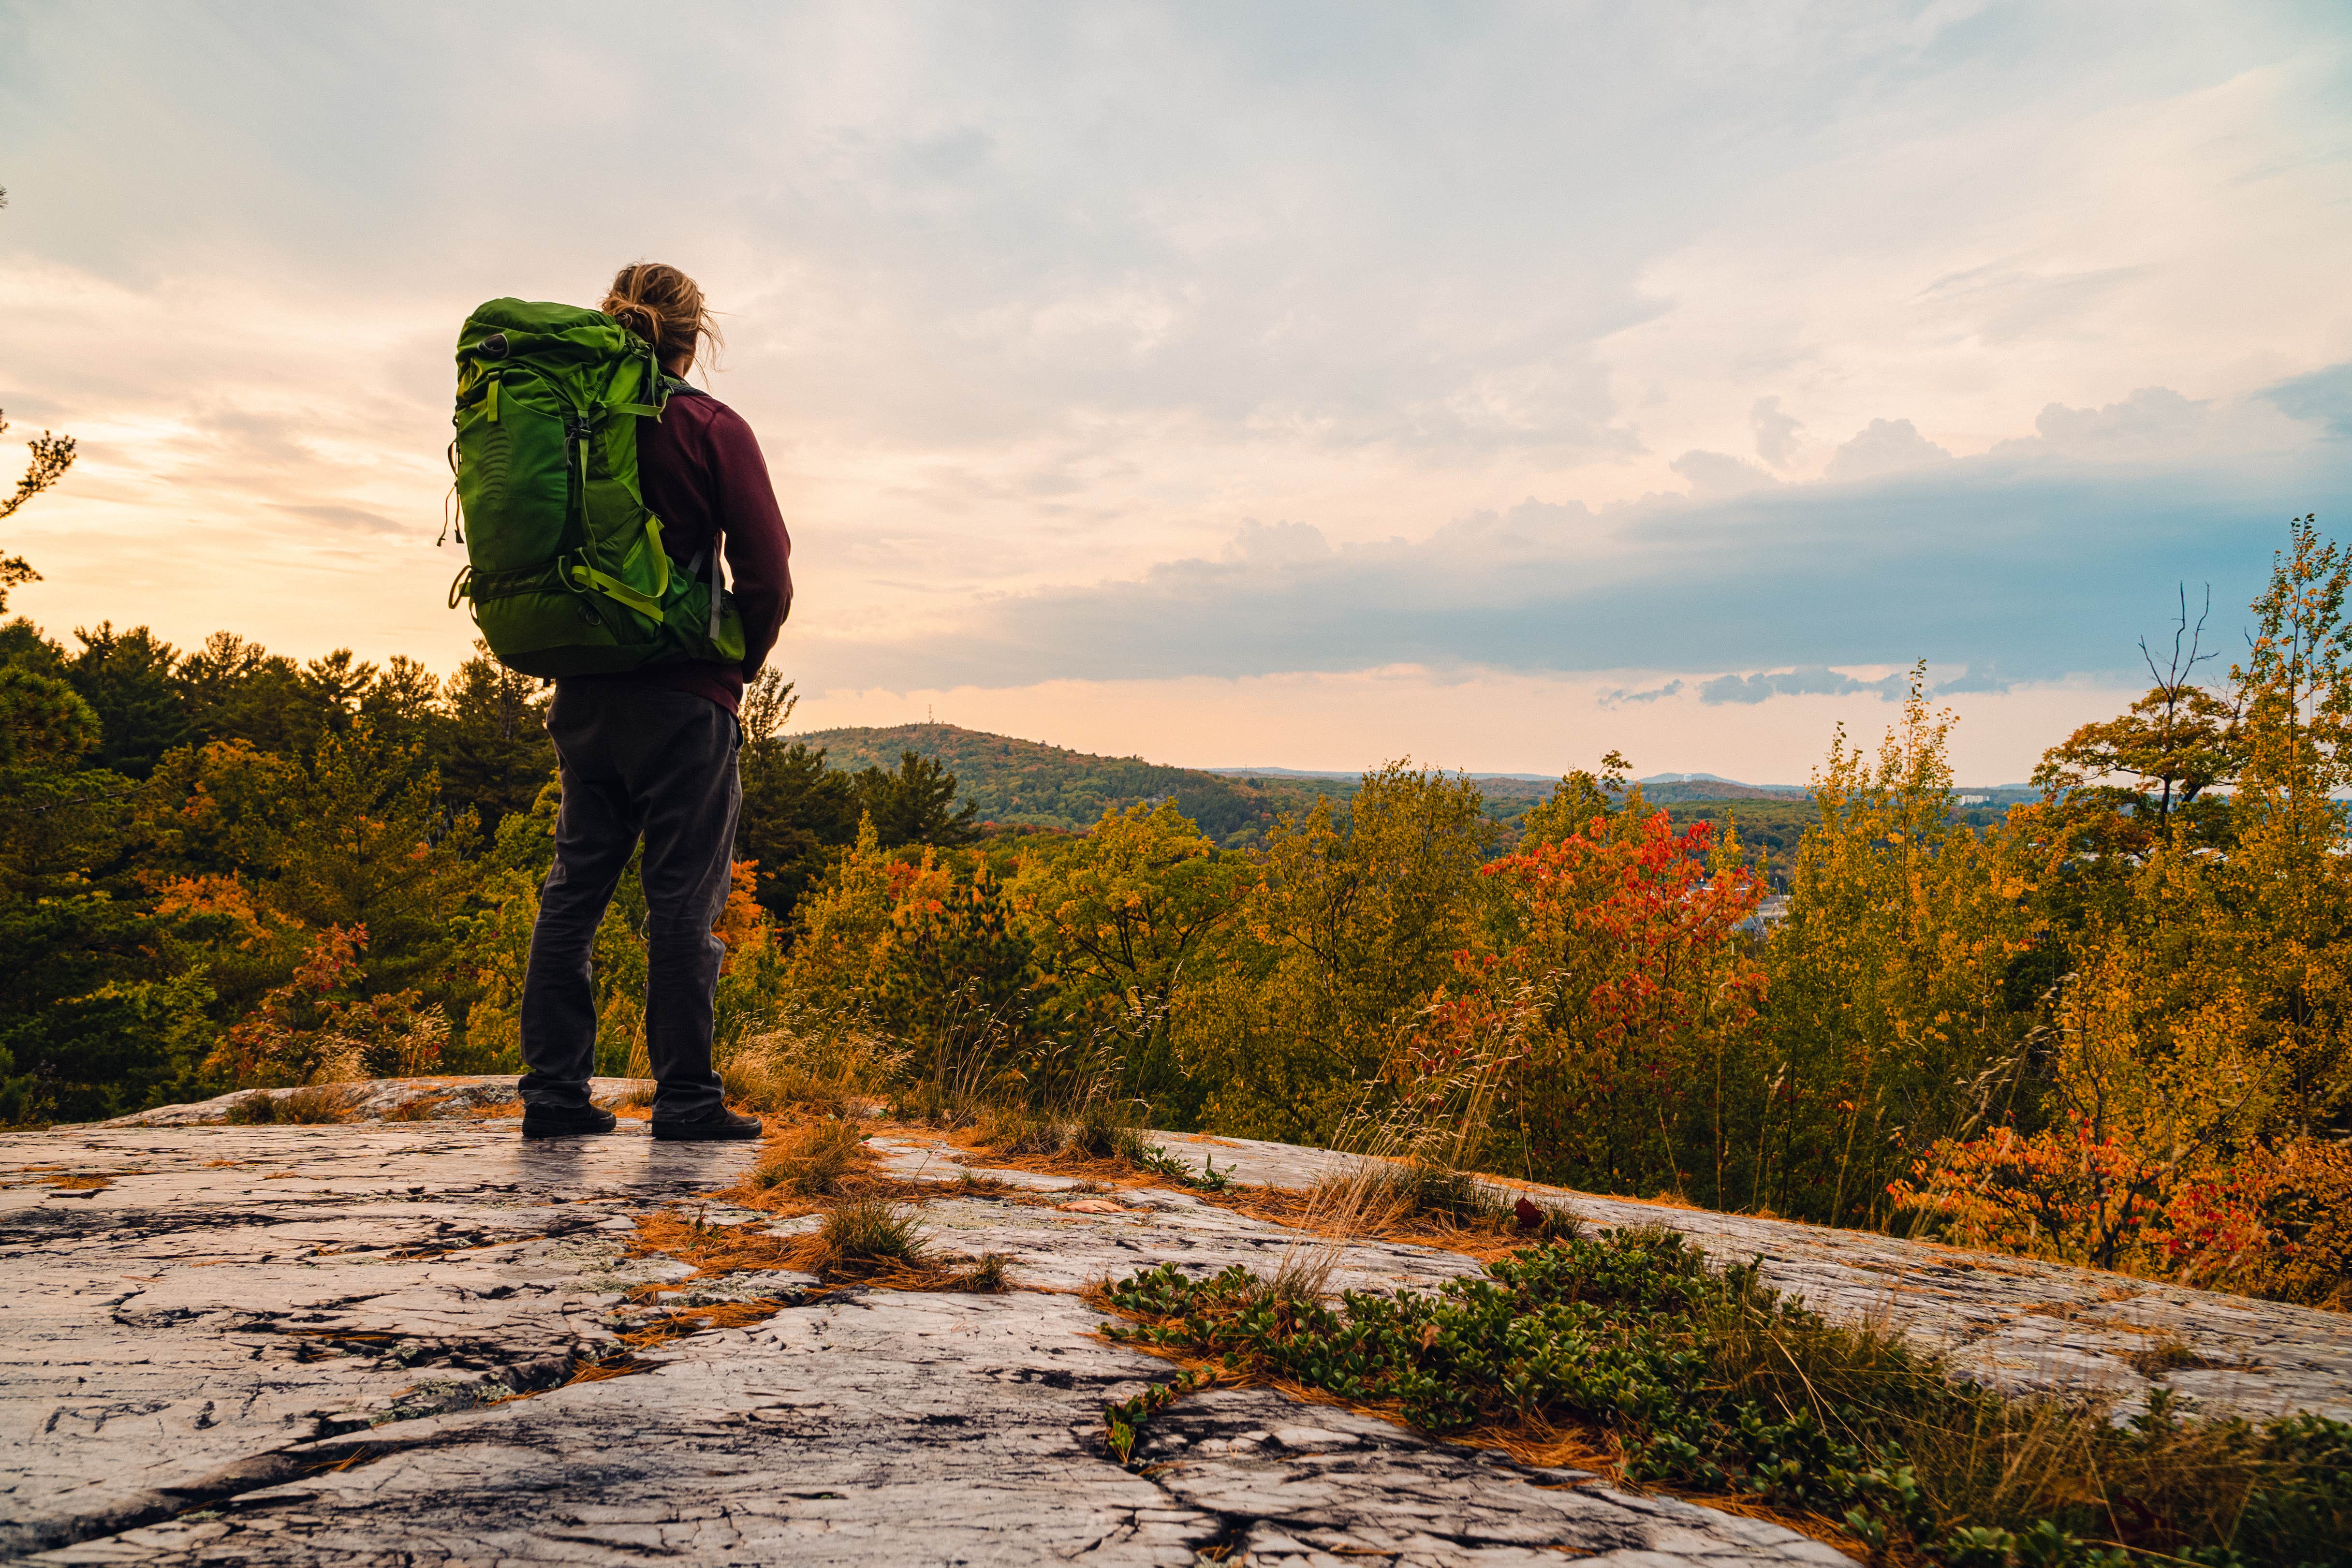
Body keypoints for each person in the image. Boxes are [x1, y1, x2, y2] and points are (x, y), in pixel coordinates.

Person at [516, 263, 793, 1141]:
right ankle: (685, 1100)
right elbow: (768, 572)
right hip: (683, 696)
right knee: (681, 901)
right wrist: (738, 664)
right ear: (692, 334)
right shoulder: (709, 426)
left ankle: (554, 1097)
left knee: (574, 891)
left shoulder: (569, 424)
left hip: (584, 693)